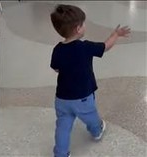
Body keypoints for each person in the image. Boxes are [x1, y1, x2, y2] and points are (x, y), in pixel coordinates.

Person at [50, 4, 130, 157]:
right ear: (78, 29)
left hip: (62, 99)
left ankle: (60, 154)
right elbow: (106, 47)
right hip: (83, 98)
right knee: (91, 117)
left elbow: (56, 68)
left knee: (63, 127)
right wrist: (116, 34)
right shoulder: (85, 47)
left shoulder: (57, 49)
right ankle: (97, 131)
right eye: (84, 23)